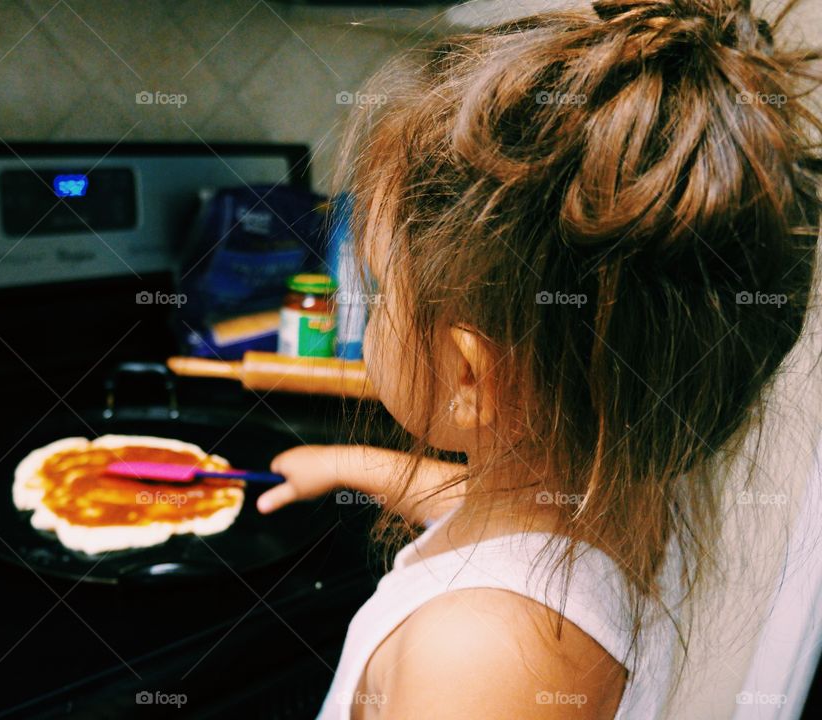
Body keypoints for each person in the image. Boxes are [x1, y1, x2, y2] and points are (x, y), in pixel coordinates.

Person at [258, 1, 822, 717]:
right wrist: (350, 466)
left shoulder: (474, 658)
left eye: (376, 289)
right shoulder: (618, 510)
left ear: (467, 375)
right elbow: (480, 511)